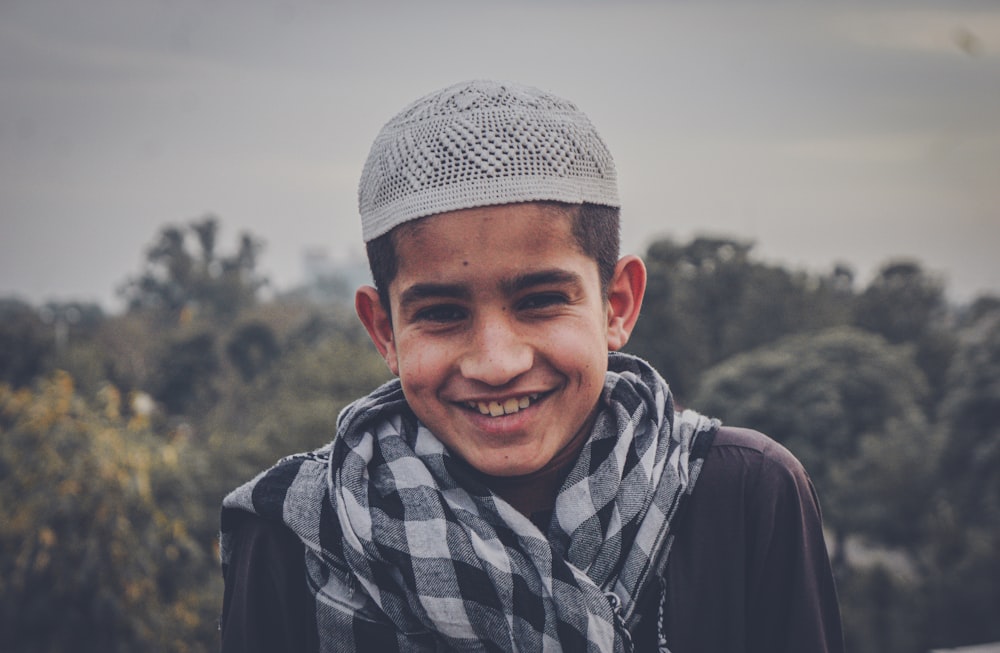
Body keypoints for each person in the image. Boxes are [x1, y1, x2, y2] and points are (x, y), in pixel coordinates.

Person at [219, 80, 844, 653]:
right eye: (441, 312)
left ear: (616, 305)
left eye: (542, 301)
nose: (497, 363)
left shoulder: (743, 495)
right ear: (384, 328)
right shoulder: (294, 534)